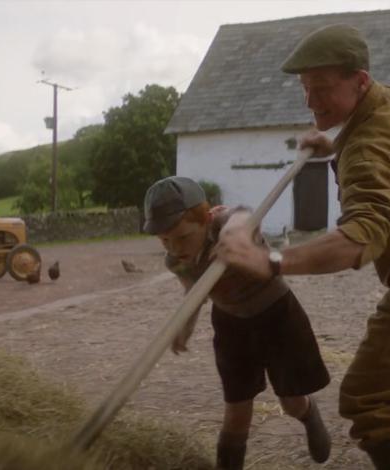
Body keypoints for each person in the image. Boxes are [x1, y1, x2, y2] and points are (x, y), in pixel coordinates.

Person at [214, 24, 390, 470]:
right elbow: (389, 149)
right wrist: (335, 143)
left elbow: (359, 240)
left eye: (323, 88)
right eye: (305, 89)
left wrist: (270, 260)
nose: (311, 101)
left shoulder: (367, 147)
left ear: (360, 80)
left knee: (370, 402)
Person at [142, 176, 331, 470]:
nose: (175, 247)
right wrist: (185, 326)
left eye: (181, 237)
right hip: (231, 326)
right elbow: (194, 291)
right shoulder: (175, 260)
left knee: (290, 402)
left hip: (277, 315)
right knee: (236, 411)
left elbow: (242, 215)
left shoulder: (227, 224)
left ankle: (308, 415)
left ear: (205, 219)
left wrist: (233, 235)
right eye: (164, 240)